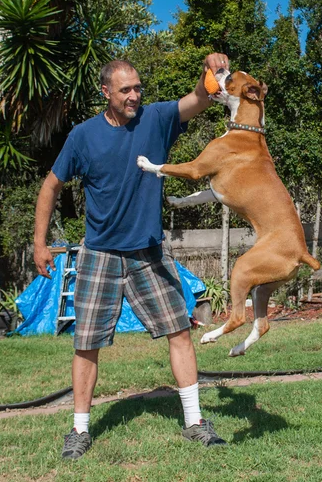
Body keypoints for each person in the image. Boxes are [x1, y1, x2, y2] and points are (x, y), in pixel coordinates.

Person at [33, 53, 229, 460]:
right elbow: (51, 186)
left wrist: (211, 74)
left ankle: (195, 423)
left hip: (148, 252)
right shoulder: (83, 136)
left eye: (138, 87)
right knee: (86, 344)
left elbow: (197, 99)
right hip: (100, 254)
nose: (135, 96)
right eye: (126, 90)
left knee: (179, 330)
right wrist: (39, 243)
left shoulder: (155, 119)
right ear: (105, 92)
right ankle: (79, 431)